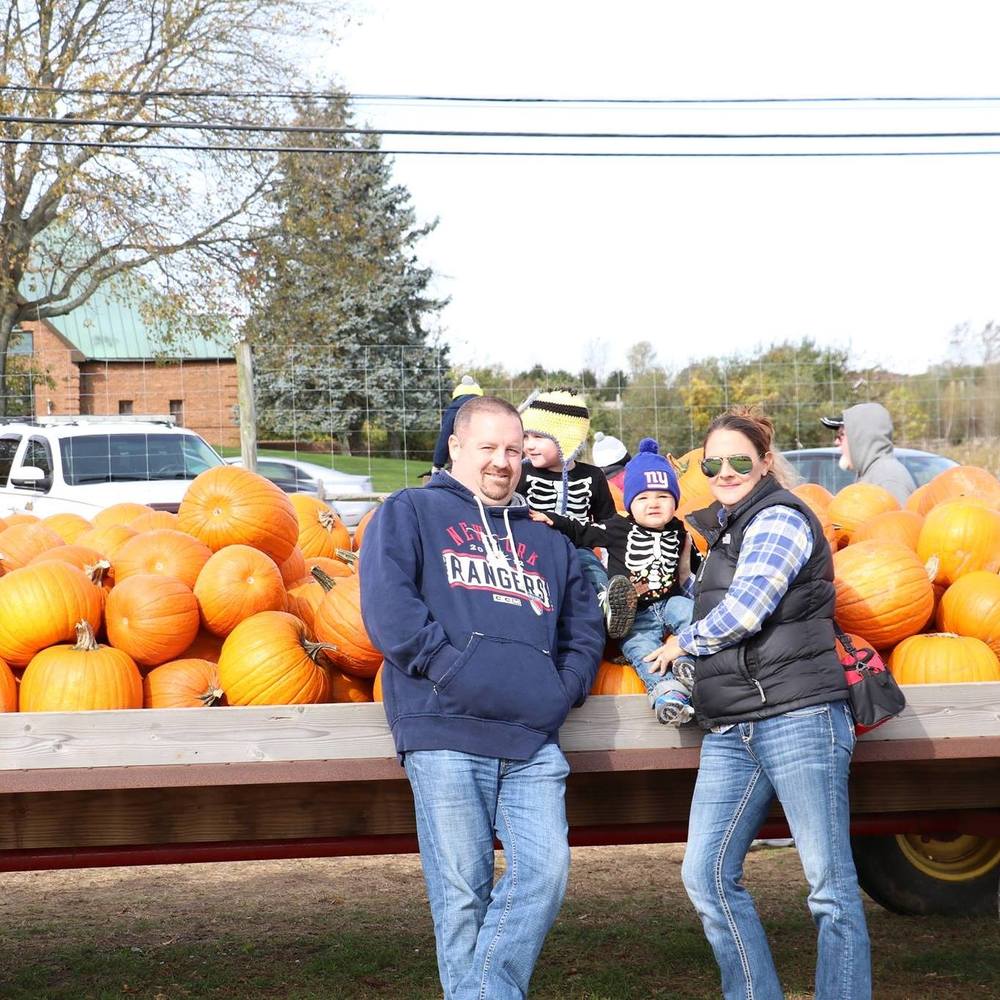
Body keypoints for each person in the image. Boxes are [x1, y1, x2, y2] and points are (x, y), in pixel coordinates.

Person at [359, 395, 604, 1000]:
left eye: (514, 451)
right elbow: (390, 609)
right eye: (489, 447)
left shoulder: (547, 542)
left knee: (544, 875)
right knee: (463, 895)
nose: (502, 461)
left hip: (532, 738)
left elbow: (583, 629)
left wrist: (561, 690)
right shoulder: (409, 511)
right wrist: (449, 670)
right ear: (456, 447)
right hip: (444, 729)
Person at [644, 406, 871, 1000]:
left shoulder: (778, 518)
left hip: (798, 716)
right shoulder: (725, 529)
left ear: (766, 463)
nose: (724, 471)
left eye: (739, 461)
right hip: (733, 726)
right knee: (706, 874)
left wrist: (682, 643)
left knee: (828, 888)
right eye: (712, 462)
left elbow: (746, 610)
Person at [531, 437, 696, 725]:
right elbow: (583, 530)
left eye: (663, 497)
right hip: (636, 614)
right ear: (630, 504)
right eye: (643, 498)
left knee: (692, 612)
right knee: (640, 650)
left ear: (675, 502)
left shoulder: (680, 530)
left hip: (670, 601)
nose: (653, 504)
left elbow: (696, 566)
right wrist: (554, 520)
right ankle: (667, 694)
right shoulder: (618, 527)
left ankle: (688, 663)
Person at [516, 389, 631, 633]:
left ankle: (607, 607)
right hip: (531, 551)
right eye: (525, 436)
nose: (529, 445)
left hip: (579, 548)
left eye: (539, 437)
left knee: (593, 571)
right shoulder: (521, 473)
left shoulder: (593, 476)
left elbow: (608, 525)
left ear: (565, 439)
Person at [820, 401, 916, 503]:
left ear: (861, 438)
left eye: (841, 435)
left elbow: (897, 514)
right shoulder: (872, 473)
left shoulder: (888, 479)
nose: (836, 442)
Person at [430, 375, 483, 473]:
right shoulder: (487, 411)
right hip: (483, 457)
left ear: (456, 397)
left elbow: (445, 436)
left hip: (460, 457)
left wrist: (437, 464)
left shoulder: (454, 411)